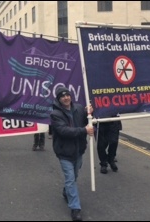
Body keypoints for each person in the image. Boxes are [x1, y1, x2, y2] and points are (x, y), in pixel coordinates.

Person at [50, 86, 94, 221]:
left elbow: (87, 122)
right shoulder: (55, 114)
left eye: (67, 95)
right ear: (58, 99)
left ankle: (66, 191)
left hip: (79, 150)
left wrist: (91, 113)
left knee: (74, 176)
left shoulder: (79, 108)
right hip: (64, 152)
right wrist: (84, 130)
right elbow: (64, 131)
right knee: (70, 178)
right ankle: (75, 208)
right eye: (62, 96)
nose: (66, 98)